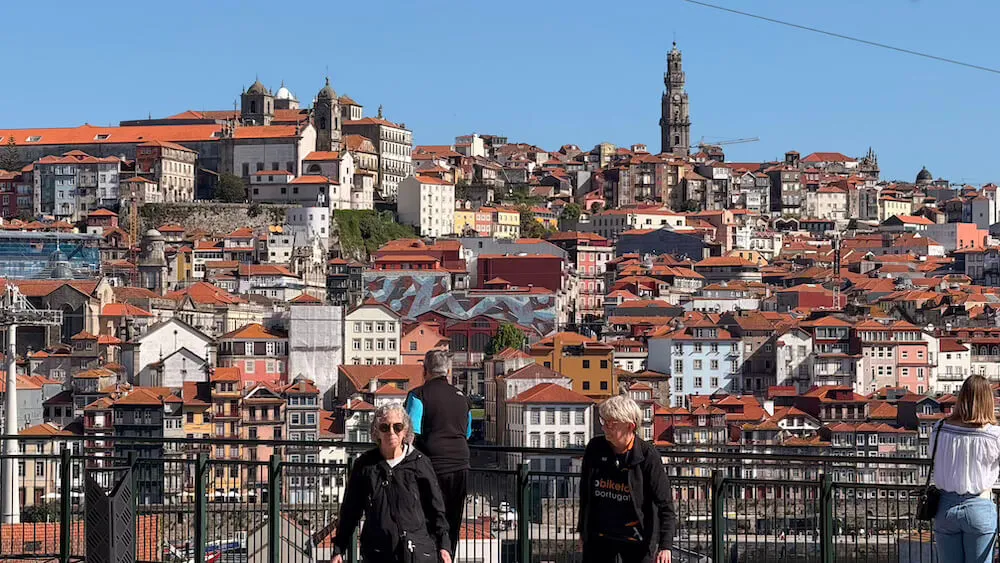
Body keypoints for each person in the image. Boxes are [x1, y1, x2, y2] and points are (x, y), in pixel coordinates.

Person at [331, 402, 452, 563]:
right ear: (377, 432)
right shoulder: (365, 465)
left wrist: (444, 545)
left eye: (397, 427)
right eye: (385, 427)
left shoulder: (420, 463)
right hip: (378, 551)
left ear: (405, 431)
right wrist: (339, 548)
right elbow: (350, 509)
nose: (391, 432)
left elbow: (435, 508)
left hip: (416, 551)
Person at [578, 394, 677, 563]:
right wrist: (582, 532)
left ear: (630, 426)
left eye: (612, 423)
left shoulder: (647, 455)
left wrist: (665, 546)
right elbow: (585, 495)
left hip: (637, 539)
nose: (605, 427)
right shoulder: (595, 448)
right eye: (604, 421)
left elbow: (664, 504)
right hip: (600, 537)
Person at [405, 349, 471, 556]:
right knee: (452, 518)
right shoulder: (463, 398)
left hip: (431, 464)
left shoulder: (418, 395)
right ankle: (448, 555)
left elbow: (410, 433)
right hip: (460, 463)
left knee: (427, 516)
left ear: (425, 370)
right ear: (448, 371)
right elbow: (467, 432)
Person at [932, 374, 1000, 563]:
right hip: (979, 506)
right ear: (988, 400)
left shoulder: (940, 428)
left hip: (945, 507)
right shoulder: (994, 435)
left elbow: (934, 457)